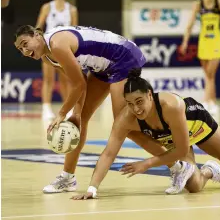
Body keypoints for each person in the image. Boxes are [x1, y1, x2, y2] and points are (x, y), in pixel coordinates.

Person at [14, 24, 183, 194]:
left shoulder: (57, 44)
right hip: (102, 66)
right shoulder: (47, 57)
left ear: (36, 35)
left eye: (25, 43)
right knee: (79, 122)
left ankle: (177, 166)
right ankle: (67, 178)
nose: (24, 51)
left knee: (124, 126)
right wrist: (77, 114)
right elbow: (79, 82)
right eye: (20, 49)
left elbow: (79, 85)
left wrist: (62, 113)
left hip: (122, 57)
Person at [71, 70, 220, 200]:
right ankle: (210, 171)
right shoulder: (125, 119)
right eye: (130, 104)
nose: (136, 109)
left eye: (139, 102)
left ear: (150, 94)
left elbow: (183, 149)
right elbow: (108, 153)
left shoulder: (171, 105)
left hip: (197, 125)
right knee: (193, 187)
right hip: (175, 139)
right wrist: (92, 189)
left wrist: (147, 163)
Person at [180, 0, 220, 122]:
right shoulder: (198, 4)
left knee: (210, 73)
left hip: (216, 41)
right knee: (208, 75)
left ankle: (206, 102)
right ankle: (212, 102)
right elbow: (190, 24)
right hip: (204, 41)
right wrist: (185, 42)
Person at [36, 0, 78, 120]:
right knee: (48, 79)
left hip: (64, 49)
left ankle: (69, 108)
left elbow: (75, 31)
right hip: (48, 48)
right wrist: (40, 45)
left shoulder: (72, 10)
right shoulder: (47, 7)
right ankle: (46, 108)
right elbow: (38, 27)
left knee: (65, 80)